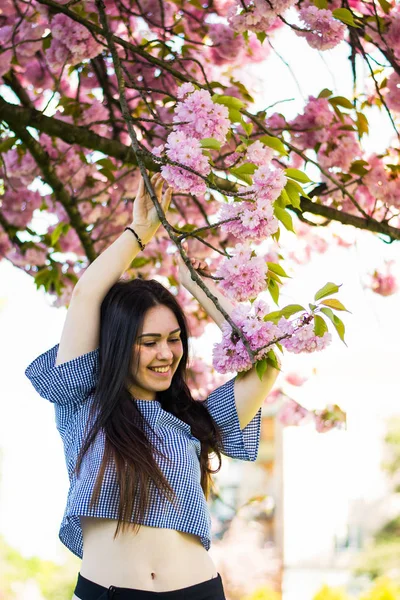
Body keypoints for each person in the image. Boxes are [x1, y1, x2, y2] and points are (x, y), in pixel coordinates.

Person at [25, 173, 280, 600]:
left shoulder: (193, 420)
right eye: (149, 342)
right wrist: (138, 233)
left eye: (174, 338)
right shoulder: (81, 402)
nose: (166, 353)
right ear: (121, 344)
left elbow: (266, 365)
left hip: (198, 590)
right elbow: (86, 294)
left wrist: (200, 289)